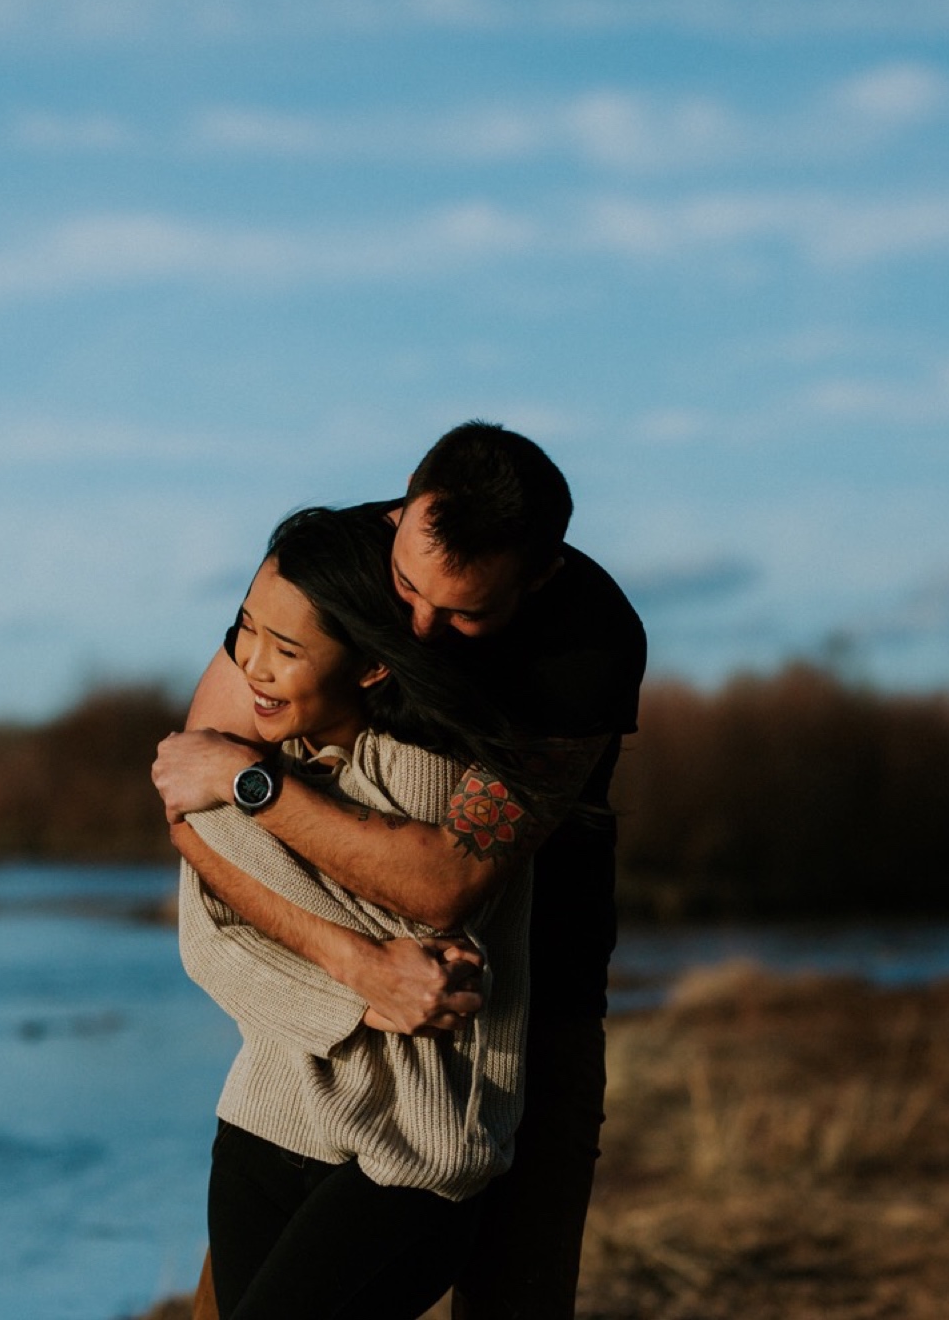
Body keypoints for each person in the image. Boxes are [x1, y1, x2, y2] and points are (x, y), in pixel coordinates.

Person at [156, 422, 646, 1319]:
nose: (421, 626)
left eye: (464, 614)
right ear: (405, 507)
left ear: (539, 576)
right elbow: (189, 794)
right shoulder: (329, 563)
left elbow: (444, 884)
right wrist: (351, 967)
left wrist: (245, 778)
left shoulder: (587, 642)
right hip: (326, 1018)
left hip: (522, 1006)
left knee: (515, 1300)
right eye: (409, 586)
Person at [178, 504, 540, 1318]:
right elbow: (207, 946)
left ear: (372, 666)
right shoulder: (265, 761)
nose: (253, 668)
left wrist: (229, 807)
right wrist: (359, 979)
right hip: (267, 1119)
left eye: (288, 649)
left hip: (413, 1154)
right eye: (245, 631)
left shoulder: (430, 772)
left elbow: (425, 965)